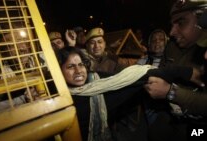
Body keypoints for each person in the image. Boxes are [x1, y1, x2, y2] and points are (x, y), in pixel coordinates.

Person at [56, 46, 199, 141]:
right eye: (70, 66)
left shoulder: (98, 82)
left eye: (81, 64)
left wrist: (186, 72)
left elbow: (136, 75)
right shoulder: (54, 97)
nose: (78, 71)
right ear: (58, 71)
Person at [144, 0, 207, 141]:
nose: (172, 32)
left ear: (202, 20)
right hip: (172, 115)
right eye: (172, 24)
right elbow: (163, 71)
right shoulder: (171, 47)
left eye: (181, 22)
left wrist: (170, 92)